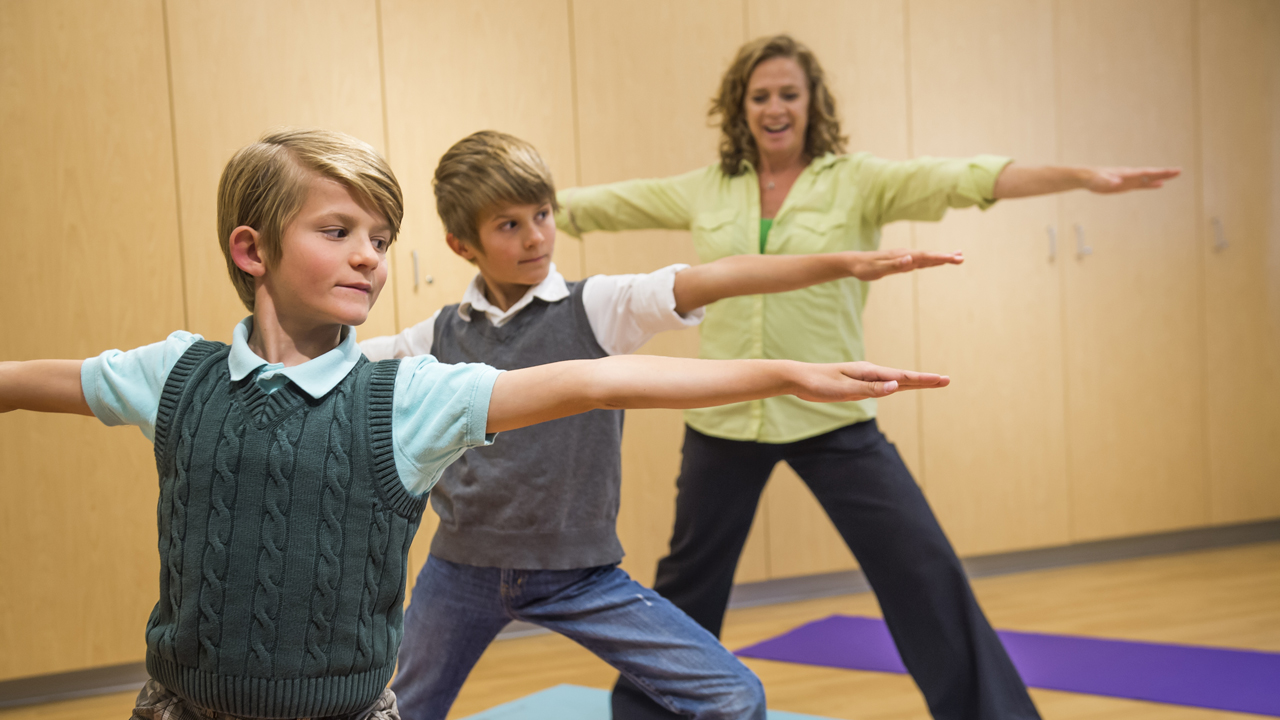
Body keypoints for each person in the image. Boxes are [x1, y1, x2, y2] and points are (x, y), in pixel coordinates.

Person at [0, 128, 949, 720]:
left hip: (560, 578)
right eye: (338, 233)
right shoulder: (206, 372)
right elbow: (37, 379)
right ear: (253, 251)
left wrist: (794, 354)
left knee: (731, 694)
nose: (368, 257)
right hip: (423, 591)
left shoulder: (442, 379)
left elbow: (606, 375)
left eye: (380, 240)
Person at [555, 35, 1180, 720]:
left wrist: (1081, 177)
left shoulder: (857, 181)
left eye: (788, 93)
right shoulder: (709, 188)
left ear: (812, 102)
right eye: (760, 96)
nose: (774, 107)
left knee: (923, 570)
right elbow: (597, 205)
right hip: (726, 418)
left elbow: (964, 178)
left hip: (834, 416)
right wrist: (507, 207)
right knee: (687, 586)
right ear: (740, 107)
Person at [360, 130, 960, 720]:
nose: (536, 236)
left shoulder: (596, 307)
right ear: (462, 244)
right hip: (460, 570)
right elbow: (343, 367)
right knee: (395, 711)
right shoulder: (435, 337)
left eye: (542, 214)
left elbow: (717, 277)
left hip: (579, 574)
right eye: (509, 225)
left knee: (734, 695)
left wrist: (847, 263)